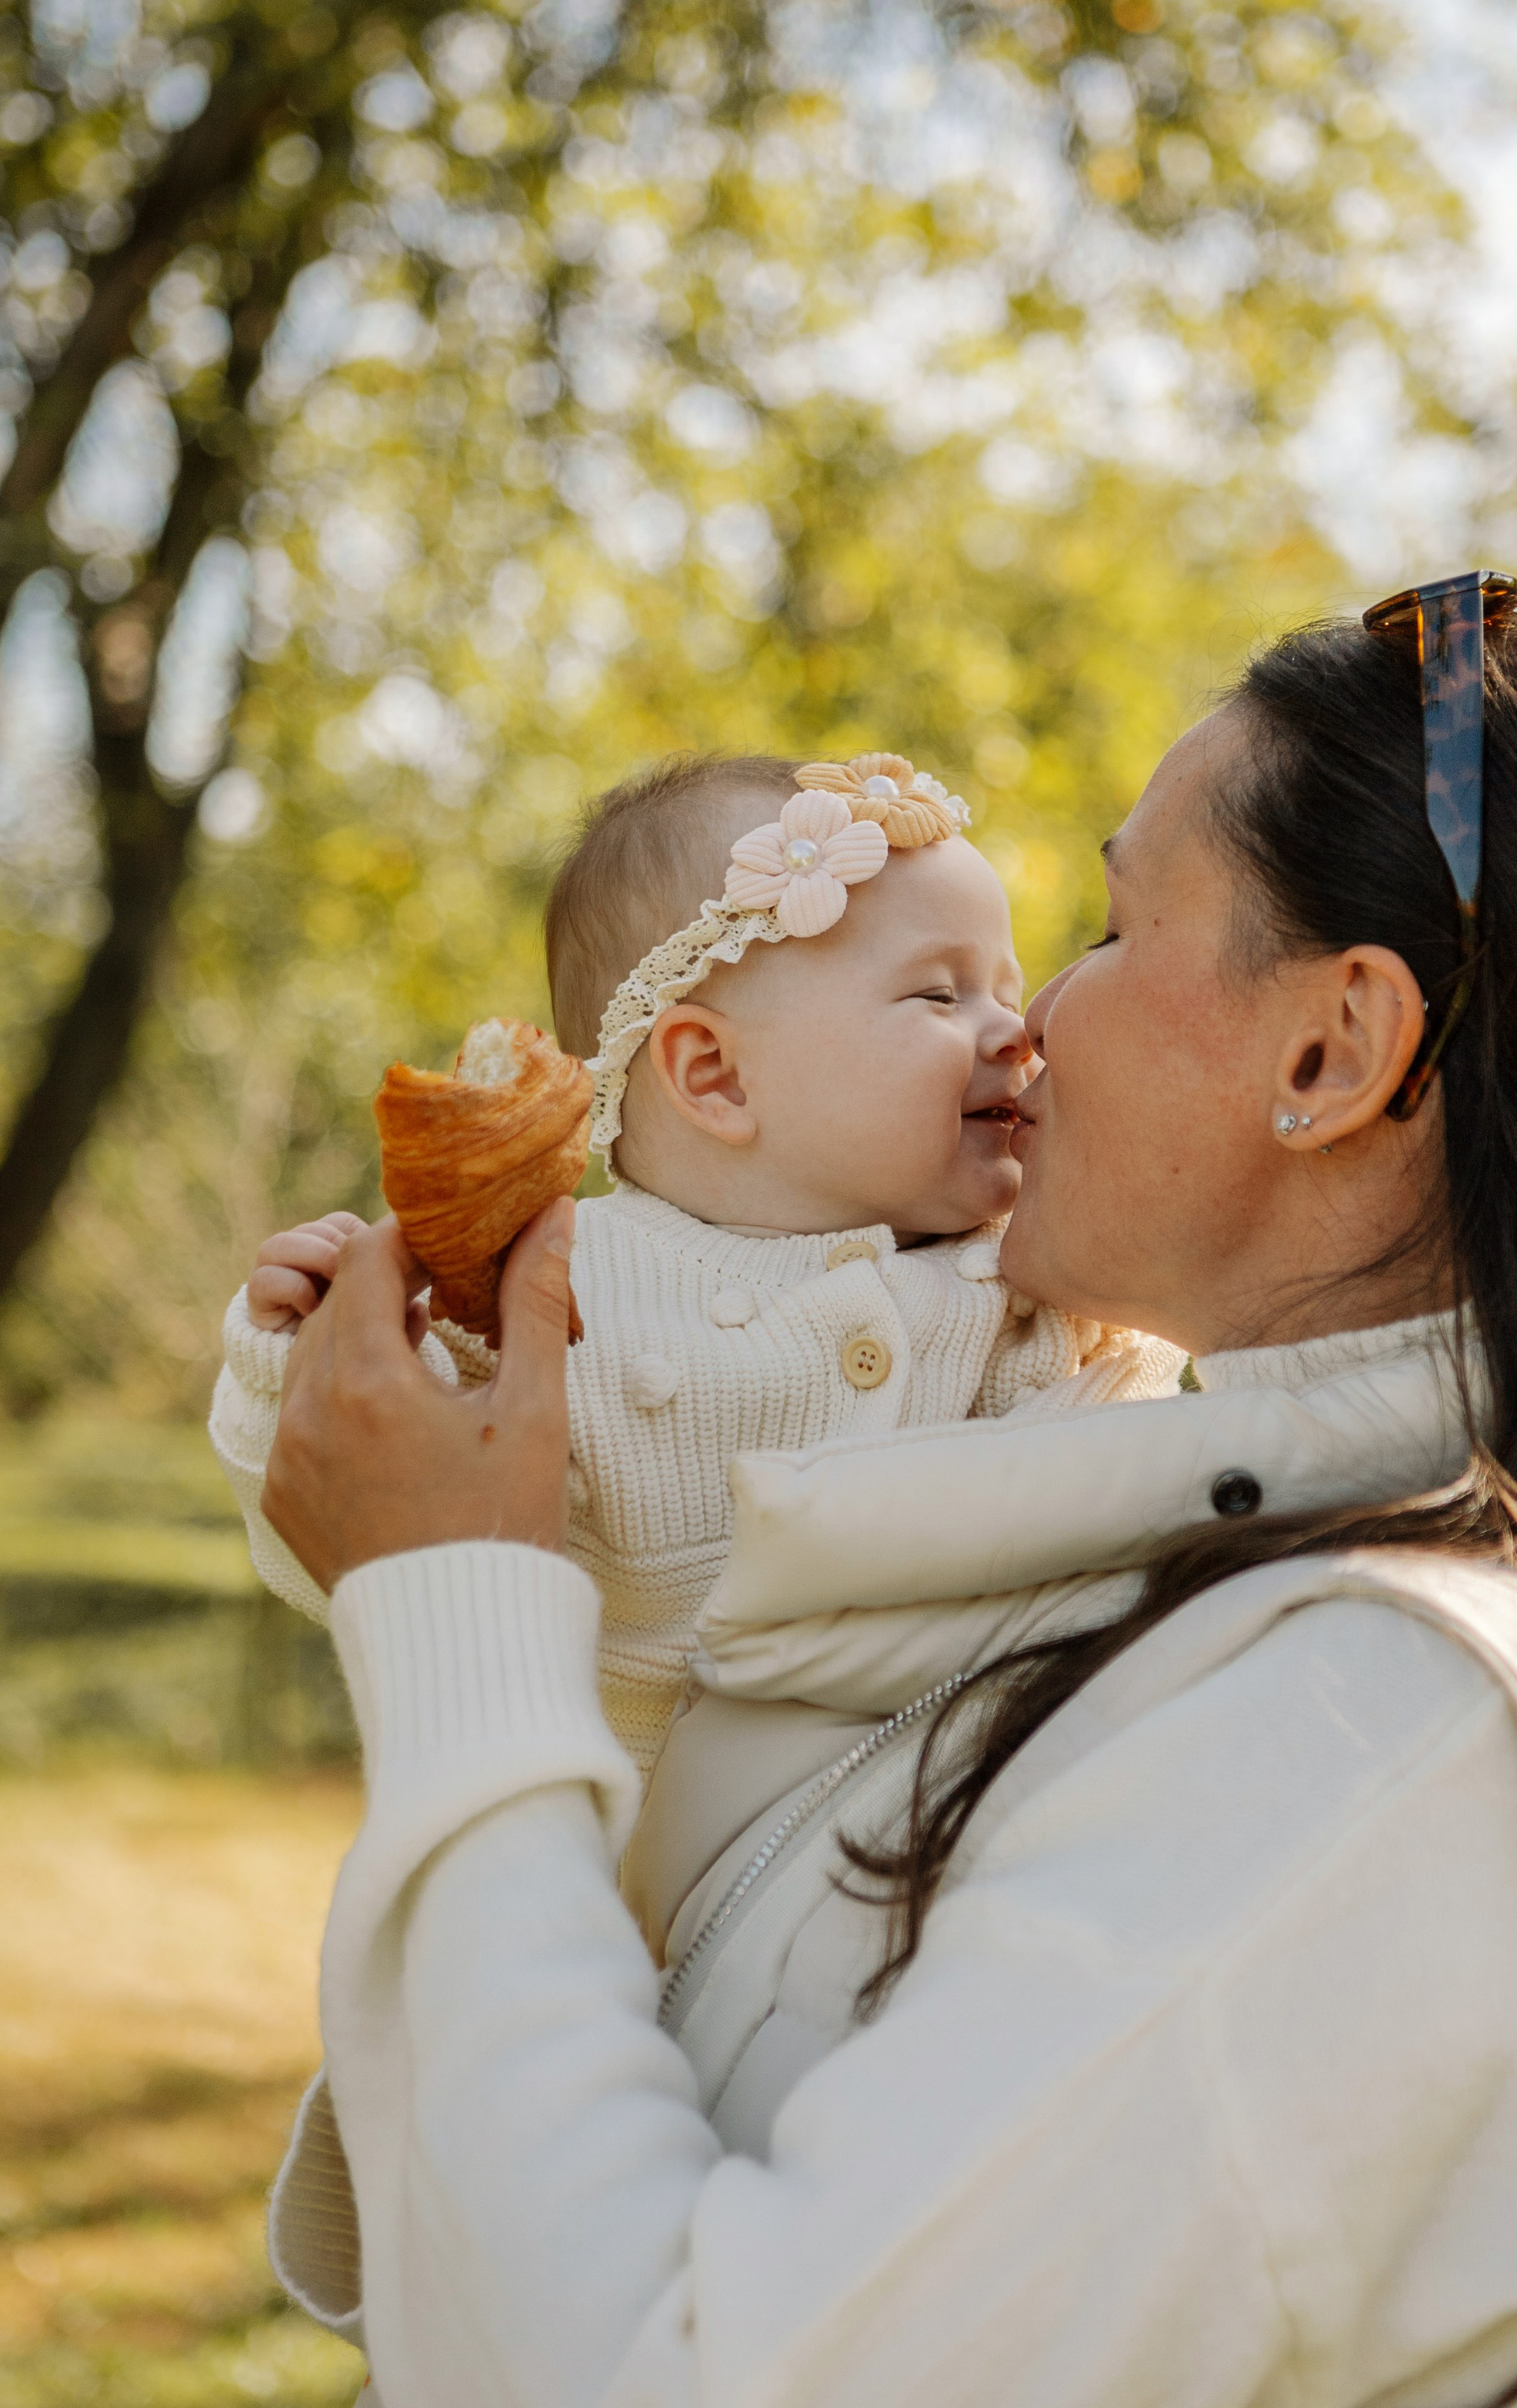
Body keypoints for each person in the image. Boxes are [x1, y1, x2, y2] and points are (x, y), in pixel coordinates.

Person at [256, 580, 1517, 2408]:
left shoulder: (1374, 1751)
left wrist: (457, 1626)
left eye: (1109, 929)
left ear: (1330, 1050)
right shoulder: (1437, 1565)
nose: (1028, 1026)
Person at [212, 748, 1181, 1783]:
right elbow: (366, 1512)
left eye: (1007, 987)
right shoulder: (554, 1291)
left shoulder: (1023, 1284)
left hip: (936, 1826)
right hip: (625, 1866)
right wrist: (297, 1360)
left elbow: (1119, 1482)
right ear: (715, 1077)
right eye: (940, 997)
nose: (1018, 1033)